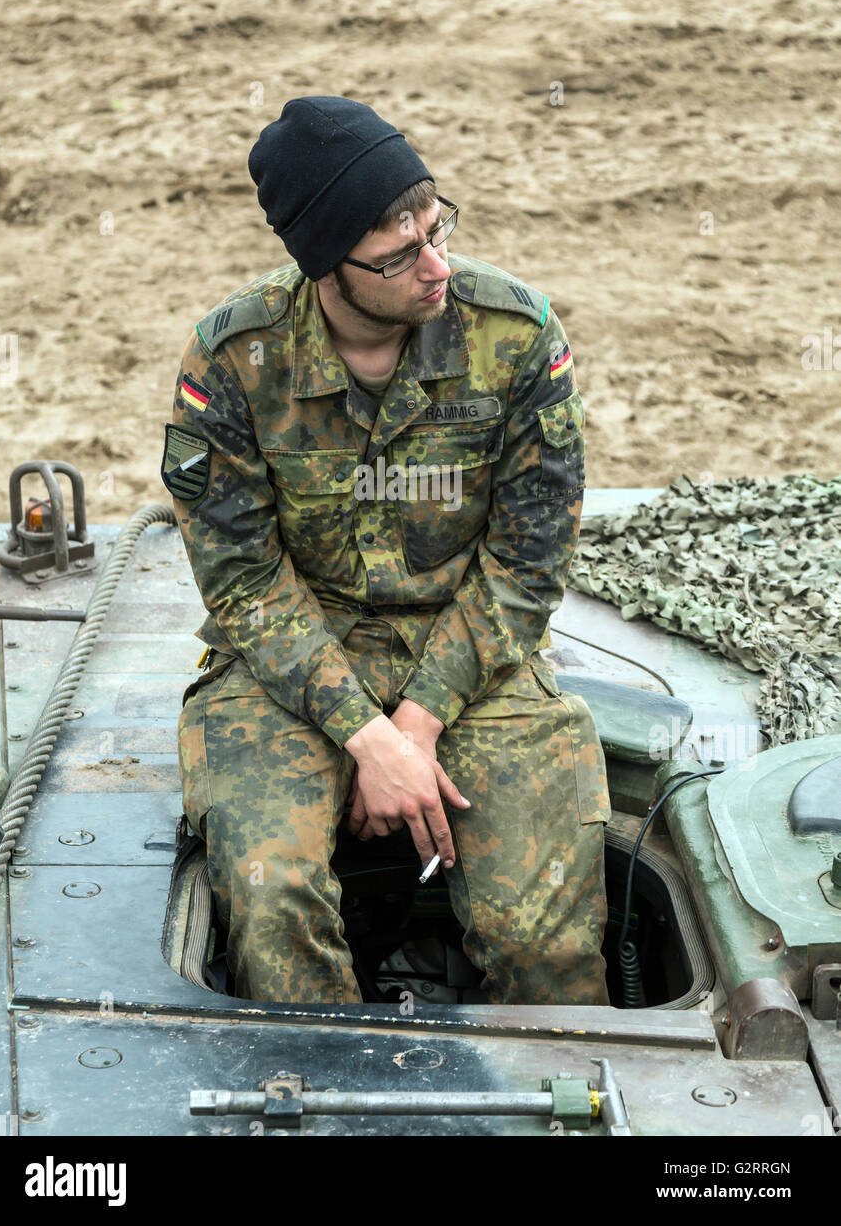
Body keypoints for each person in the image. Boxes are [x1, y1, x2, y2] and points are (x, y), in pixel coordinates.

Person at [162, 96, 610, 1005]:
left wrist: (414, 727)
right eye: (399, 253)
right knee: (272, 897)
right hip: (289, 660)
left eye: (437, 227)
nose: (435, 264)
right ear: (327, 264)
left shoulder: (514, 337)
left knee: (544, 936)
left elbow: (529, 562)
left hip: (477, 652)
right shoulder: (234, 360)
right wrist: (363, 735)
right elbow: (243, 579)